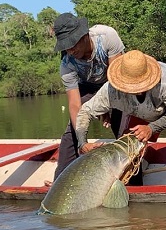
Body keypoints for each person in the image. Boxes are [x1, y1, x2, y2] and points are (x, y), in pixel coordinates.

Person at [75, 50, 166, 176]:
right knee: (128, 146)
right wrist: (82, 143)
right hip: (143, 111)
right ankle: (134, 180)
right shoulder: (111, 91)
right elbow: (85, 111)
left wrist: (151, 128)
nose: (137, 89)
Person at [53, 12, 125, 180]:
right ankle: (61, 180)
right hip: (88, 87)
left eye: (73, 44)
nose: (71, 50)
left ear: (84, 35)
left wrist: (104, 107)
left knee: (122, 122)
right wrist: (82, 142)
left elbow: (116, 80)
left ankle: (134, 180)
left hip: (116, 83)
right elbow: (74, 105)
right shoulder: (67, 64)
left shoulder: (107, 36)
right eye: (66, 46)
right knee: (73, 130)